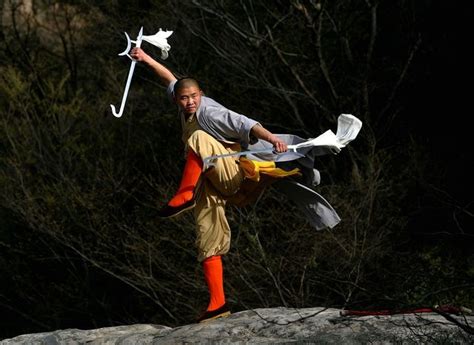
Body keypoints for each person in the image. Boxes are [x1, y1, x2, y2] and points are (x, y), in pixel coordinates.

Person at [130, 47, 301, 323]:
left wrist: (272, 139)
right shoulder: (181, 101)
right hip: (209, 178)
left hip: (230, 174)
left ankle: (185, 193)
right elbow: (169, 78)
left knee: (197, 138)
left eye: (194, 97)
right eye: (184, 98)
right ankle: (218, 304)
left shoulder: (210, 112)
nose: (189, 103)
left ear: (201, 94)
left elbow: (245, 122)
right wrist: (145, 58)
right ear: (177, 99)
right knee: (206, 234)